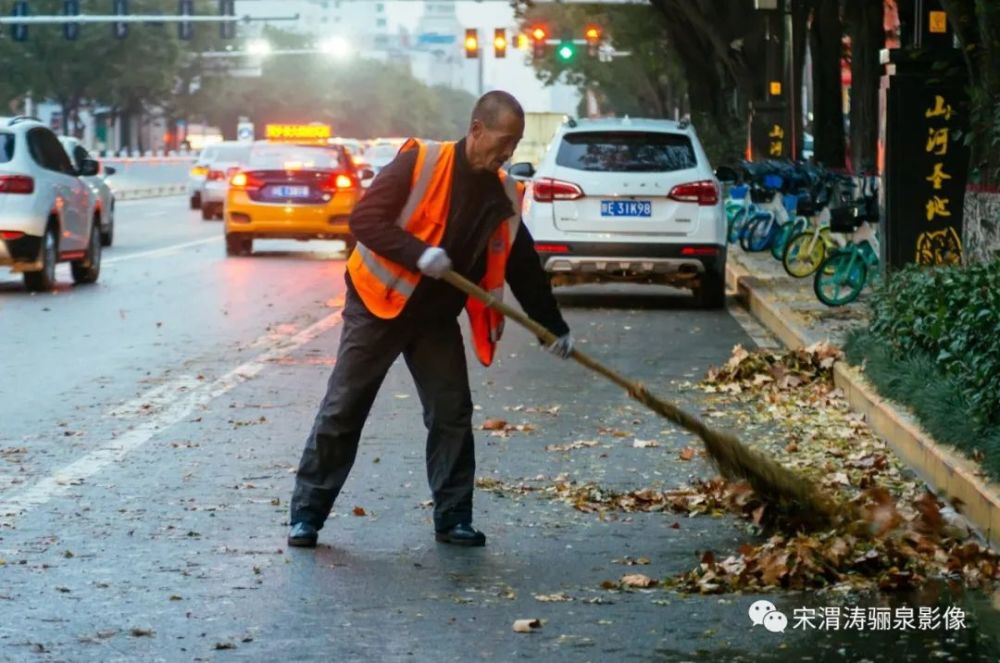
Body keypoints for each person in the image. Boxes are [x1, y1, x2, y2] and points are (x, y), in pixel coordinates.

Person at [287, 91, 574, 548]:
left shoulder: (503, 192)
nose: (508, 153)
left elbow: (522, 264)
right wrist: (419, 254)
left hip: (434, 316)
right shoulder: (420, 162)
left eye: (515, 144)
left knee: (451, 412)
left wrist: (552, 327)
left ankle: (454, 517)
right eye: (503, 140)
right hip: (379, 304)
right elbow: (365, 221)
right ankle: (306, 514)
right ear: (476, 129)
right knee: (345, 407)